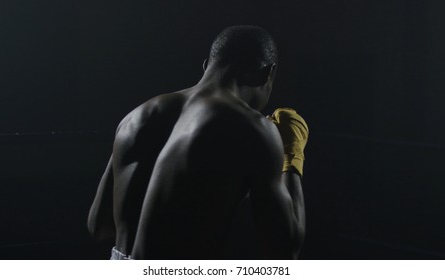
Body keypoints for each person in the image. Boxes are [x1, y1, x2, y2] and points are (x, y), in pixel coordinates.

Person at [87, 25, 308, 260]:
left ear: (206, 66)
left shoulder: (135, 118)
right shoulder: (252, 128)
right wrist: (291, 151)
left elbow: (99, 226)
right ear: (267, 74)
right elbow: (285, 248)